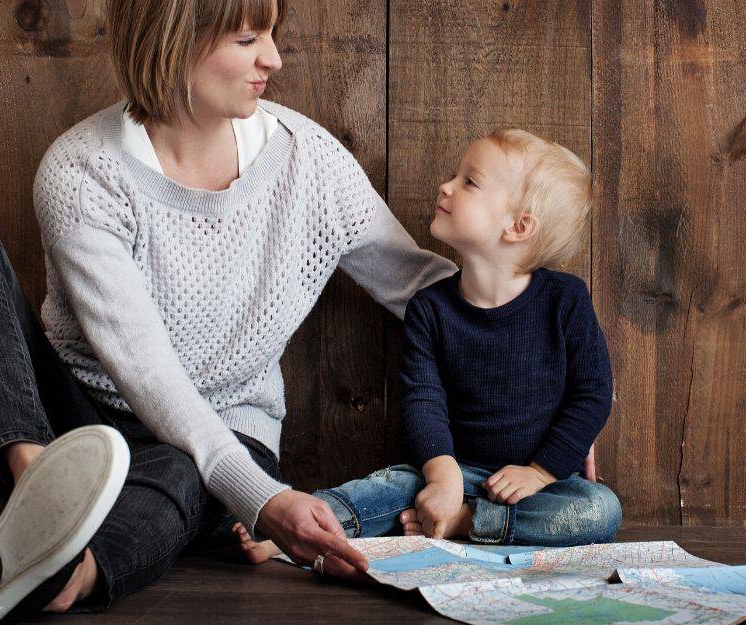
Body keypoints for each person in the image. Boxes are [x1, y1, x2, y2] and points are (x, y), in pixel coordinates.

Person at [0, 0, 459, 624]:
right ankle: (40, 486)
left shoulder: (311, 162)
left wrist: (560, 365)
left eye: (272, 36)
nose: (273, 59)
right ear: (173, 42)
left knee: (182, 466)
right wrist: (268, 502)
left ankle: (68, 574)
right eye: (250, 37)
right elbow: (146, 372)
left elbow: (419, 285)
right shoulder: (82, 171)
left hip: (228, 436)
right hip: (79, 423)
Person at [234, 128, 620, 563]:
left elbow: (591, 394)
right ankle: (297, 529)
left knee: (599, 511)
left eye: (469, 182)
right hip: (456, 469)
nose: (447, 186)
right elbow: (423, 400)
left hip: (538, 487)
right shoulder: (431, 308)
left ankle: (469, 524)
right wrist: (442, 476)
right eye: (456, 175)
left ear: (519, 226)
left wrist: (541, 471)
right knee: (387, 488)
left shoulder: (565, 300)